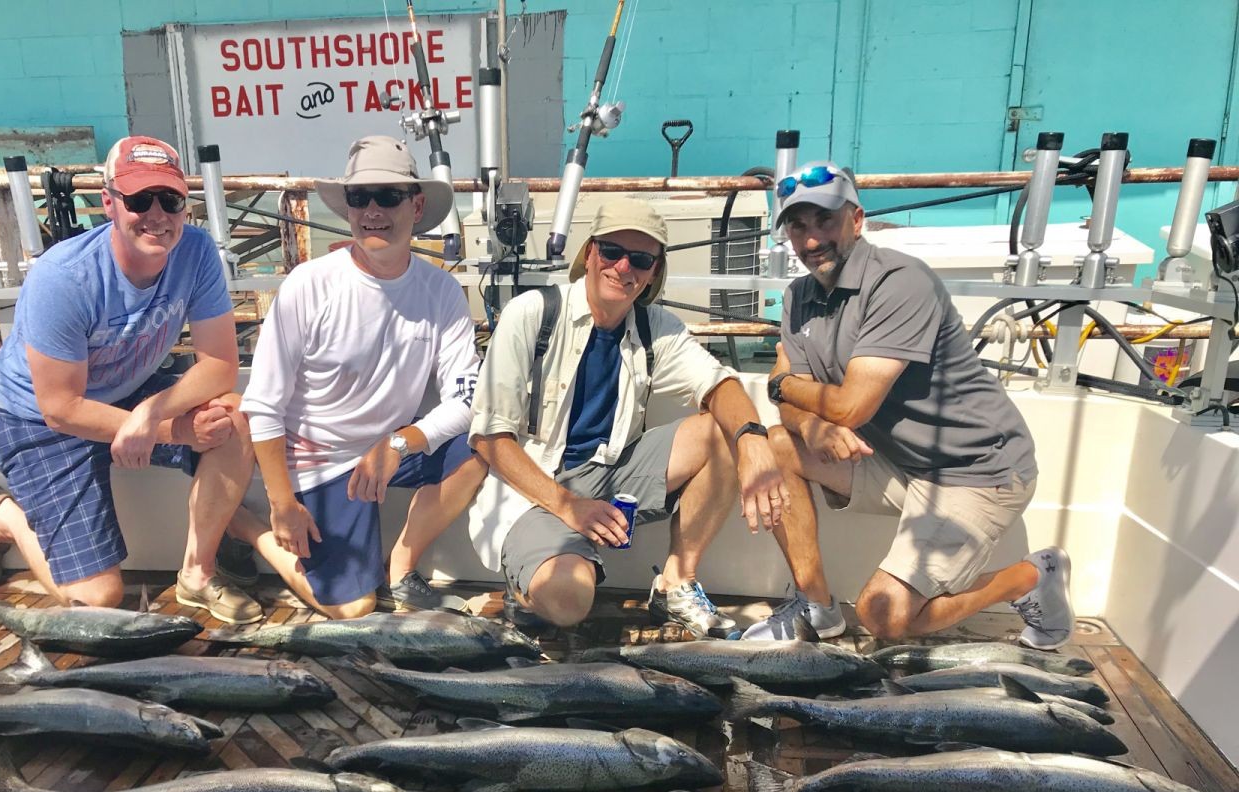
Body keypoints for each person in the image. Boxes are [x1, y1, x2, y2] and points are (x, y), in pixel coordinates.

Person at [745, 160, 1073, 649]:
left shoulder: (899, 281)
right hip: (900, 464)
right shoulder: (799, 295)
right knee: (776, 445)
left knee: (884, 615)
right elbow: (795, 402)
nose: (811, 240)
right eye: (797, 226)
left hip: (977, 471)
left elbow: (849, 407)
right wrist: (807, 423)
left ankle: (1031, 576)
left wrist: (783, 386)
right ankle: (817, 608)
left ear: (857, 220)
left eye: (825, 220)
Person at [0, 135, 262, 625]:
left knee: (233, 417)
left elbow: (220, 366)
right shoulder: (63, 277)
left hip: (129, 392)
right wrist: (173, 431)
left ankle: (197, 574)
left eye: (170, 200)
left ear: (185, 205)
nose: (157, 215)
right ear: (109, 202)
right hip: (38, 419)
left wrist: (150, 412)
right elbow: (62, 408)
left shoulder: (197, 251)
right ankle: (6, 517)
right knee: (97, 601)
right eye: (140, 200)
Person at [468, 198, 789, 638]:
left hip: (614, 473)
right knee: (568, 600)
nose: (624, 267)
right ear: (589, 254)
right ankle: (527, 588)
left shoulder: (656, 327)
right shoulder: (531, 313)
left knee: (721, 431)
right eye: (611, 251)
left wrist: (753, 441)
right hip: (536, 487)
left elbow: (720, 384)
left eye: (640, 259)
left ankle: (675, 584)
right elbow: (490, 439)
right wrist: (568, 507)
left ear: (654, 271)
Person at [235, 136, 486, 619]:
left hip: (390, 450)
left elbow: (467, 399)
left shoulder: (442, 291)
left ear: (416, 206)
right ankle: (247, 527)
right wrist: (281, 503)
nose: (372, 210)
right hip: (319, 460)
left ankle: (402, 569)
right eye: (359, 197)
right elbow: (263, 405)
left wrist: (399, 444)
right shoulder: (308, 284)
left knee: (483, 445)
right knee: (354, 609)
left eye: (388, 196)